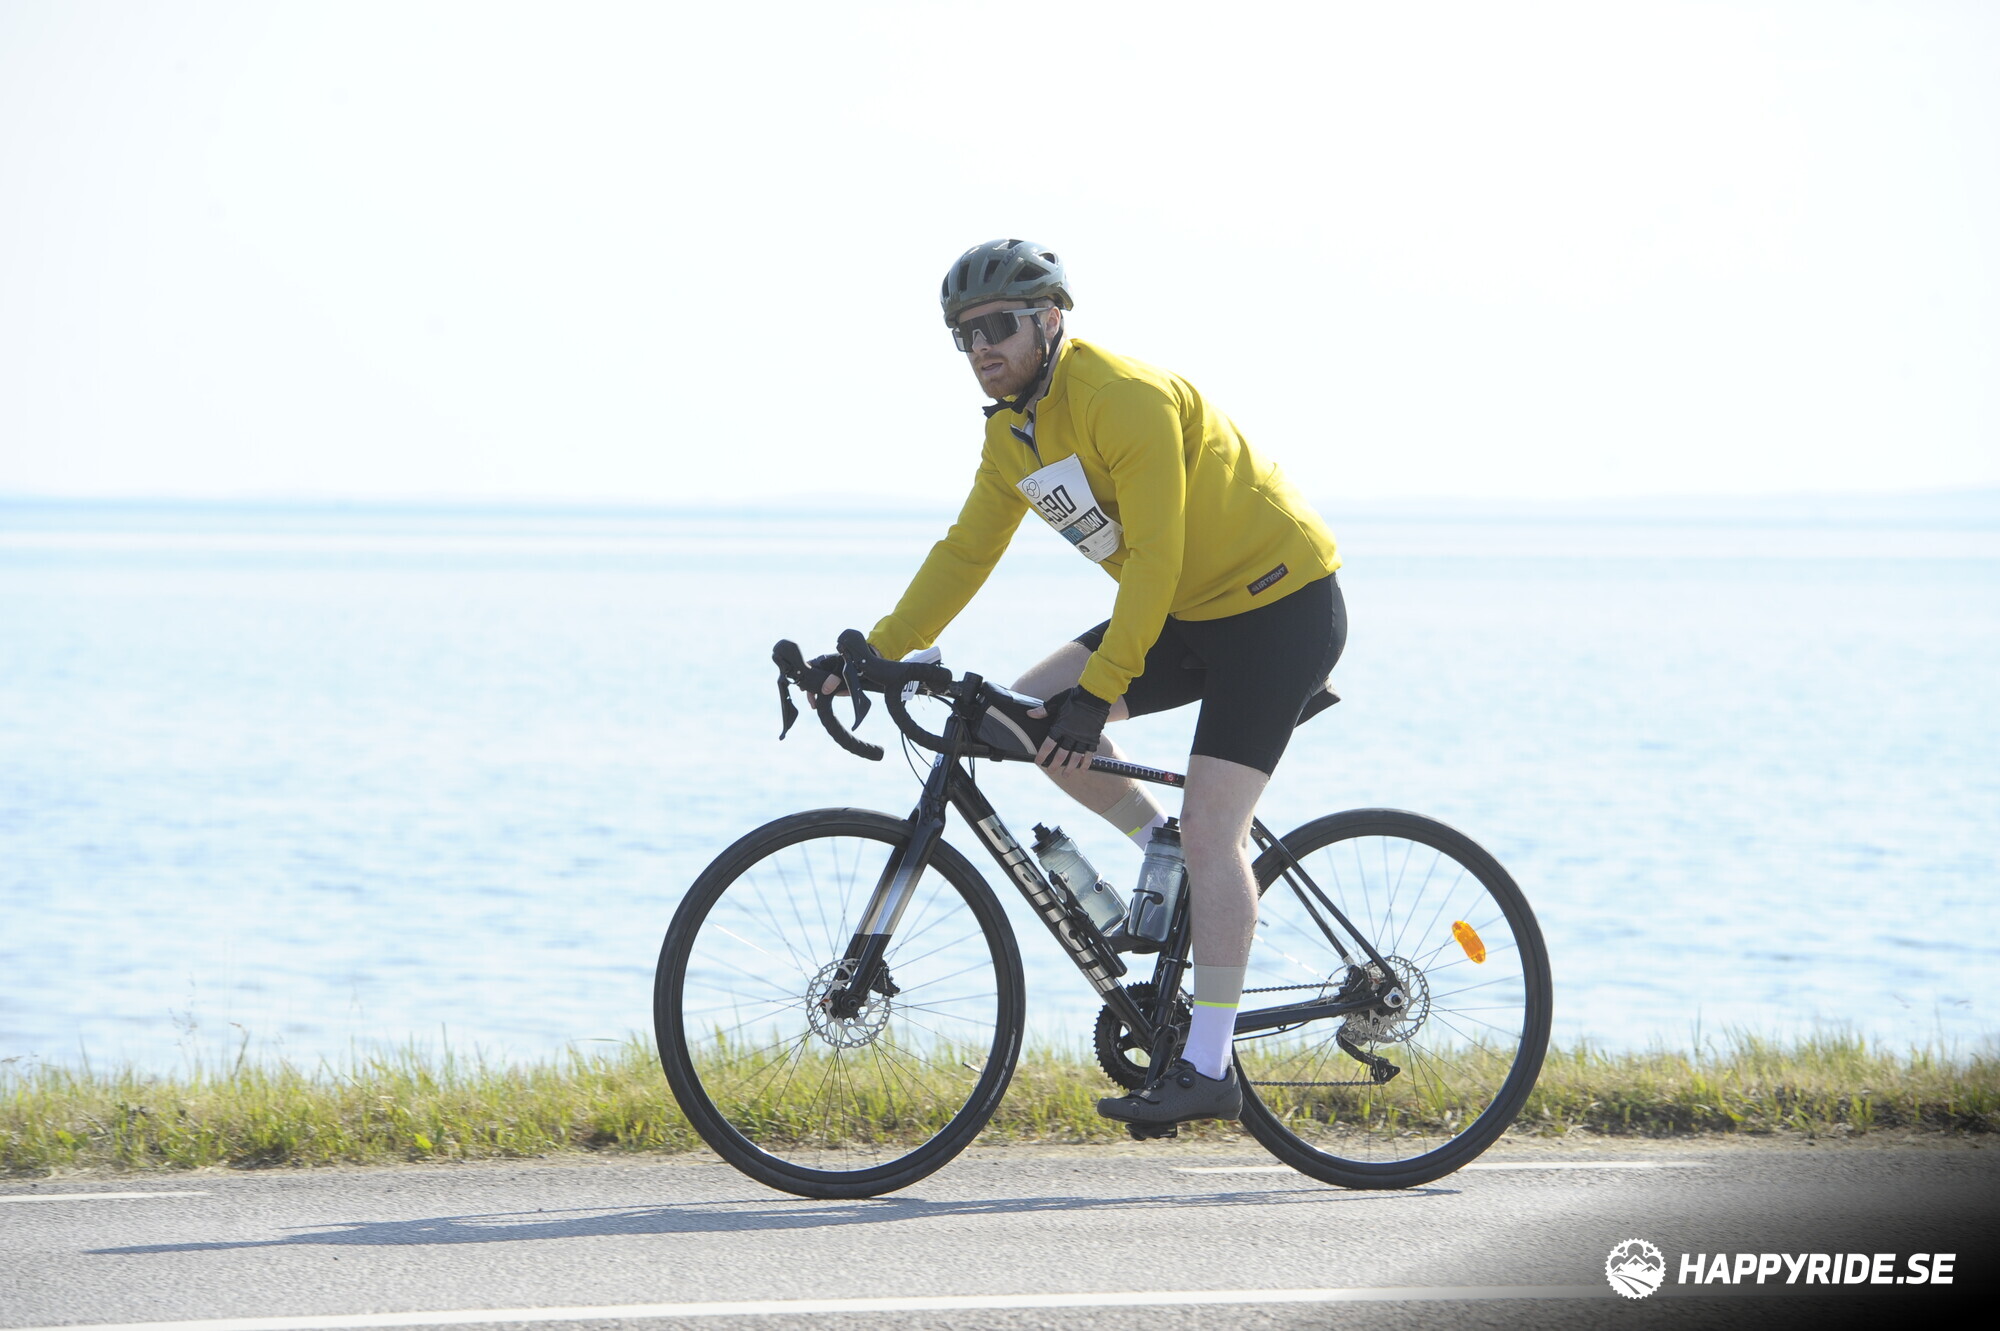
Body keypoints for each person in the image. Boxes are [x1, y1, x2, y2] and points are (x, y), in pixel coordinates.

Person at [819, 238, 1345, 1126]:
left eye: (997, 326)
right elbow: (965, 553)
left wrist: (1101, 688)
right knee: (1024, 722)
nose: (981, 347)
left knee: (1215, 829)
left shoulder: (1120, 398)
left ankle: (1209, 1064)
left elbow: (1157, 557)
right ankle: (1160, 846)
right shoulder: (1013, 435)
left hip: (1278, 608)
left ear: (1050, 319)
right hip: (1185, 612)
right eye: (964, 334)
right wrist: (871, 654)